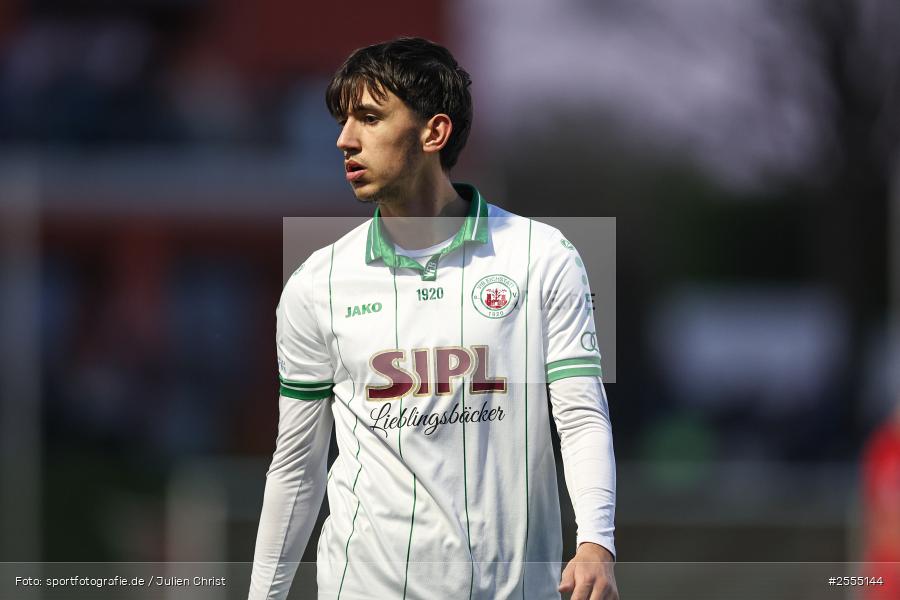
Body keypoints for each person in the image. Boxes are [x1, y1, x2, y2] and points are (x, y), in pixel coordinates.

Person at [248, 37, 618, 600]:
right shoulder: (315, 283)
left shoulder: (543, 256)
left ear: (433, 133)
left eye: (369, 118)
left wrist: (596, 542)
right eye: (344, 121)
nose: (345, 140)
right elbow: (297, 467)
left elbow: (582, 417)